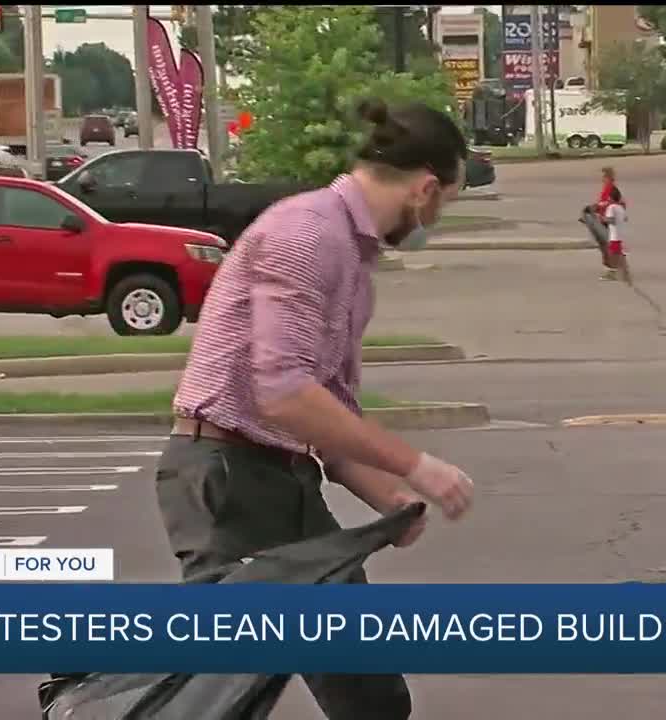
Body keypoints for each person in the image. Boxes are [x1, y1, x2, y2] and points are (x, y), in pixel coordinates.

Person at [154, 98, 475, 719]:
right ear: (426, 189)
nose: (438, 218)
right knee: (216, 696)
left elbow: (329, 418)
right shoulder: (308, 233)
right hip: (224, 475)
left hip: (282, 480)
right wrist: (416, 466)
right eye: (446, 203)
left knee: (370, 694)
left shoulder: (354, 260)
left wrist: (389, 498)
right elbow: (284, 394)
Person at [601, 186, 631, 282]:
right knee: (619, 255)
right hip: (620, 235)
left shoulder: (611, 207)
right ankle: (625, 274)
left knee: (612, 256)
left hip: (614, 236)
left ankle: (612, 274)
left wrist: (603, 219)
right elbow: (625, 219)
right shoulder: (620, 208)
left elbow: (612, 220)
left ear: (611, 197)